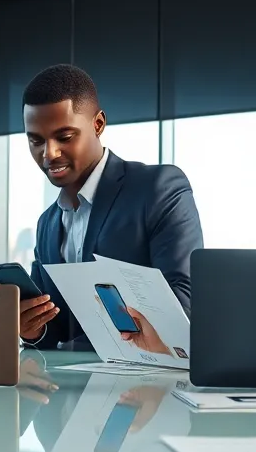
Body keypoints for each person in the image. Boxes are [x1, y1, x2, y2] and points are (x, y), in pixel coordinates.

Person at [17, 64, 202, 351]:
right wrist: (32, 329)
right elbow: (56, 326)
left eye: (64, 137)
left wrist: (78, 345)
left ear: (98, 124)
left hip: (150, 388)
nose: (49, 154)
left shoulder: (158, 188)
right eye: (36, 140)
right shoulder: (48, 223)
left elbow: (184, 303)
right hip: (68, 390)